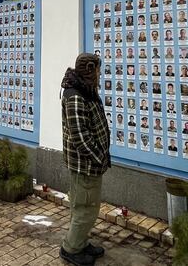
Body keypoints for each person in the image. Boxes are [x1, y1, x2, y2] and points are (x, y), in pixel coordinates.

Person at [59, 53, 109, 265]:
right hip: (86, 164)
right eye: (97, 69)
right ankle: (71, 249)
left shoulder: (84, 90)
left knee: (83, 205)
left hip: (90, 163)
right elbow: (81, 137)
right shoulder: (75, 96)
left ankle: (80, 242)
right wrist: (99, 157)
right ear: (89, 70)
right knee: (86, 208)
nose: (99, 74)